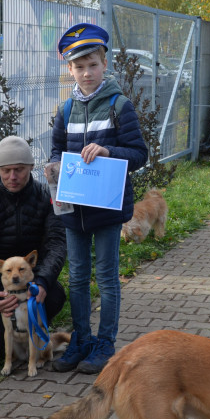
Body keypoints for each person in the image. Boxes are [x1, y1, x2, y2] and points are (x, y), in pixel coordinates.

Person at [47, 22, 148, 374]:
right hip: (74, 210)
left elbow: (139, 154)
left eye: (93, 65)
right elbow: (57, 150)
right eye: (79, 66)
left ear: (105, 64)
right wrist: (54, 166)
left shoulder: (120, 106)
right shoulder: (65, 110)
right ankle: (81, 340)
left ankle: (104, 344)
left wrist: (108, 151)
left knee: (106, 277)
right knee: (77, 277)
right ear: (70, 70)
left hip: (106, 208)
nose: (86, 73)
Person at [0, 135, 67, 359]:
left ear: (31, 167)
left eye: (19, 169)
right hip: (0, 287)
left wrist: (42, 282)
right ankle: (6, 322)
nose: (12, 177)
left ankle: (34, 325)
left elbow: (57, 245)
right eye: (6, 170)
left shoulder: (47, 198)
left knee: (55, 295)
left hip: (34, 284)